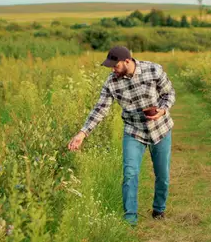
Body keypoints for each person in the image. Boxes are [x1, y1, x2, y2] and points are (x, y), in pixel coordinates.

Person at [67, 45, 176, 226]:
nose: (112, 69)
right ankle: (130, 218)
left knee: (162, 174)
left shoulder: (153, 69)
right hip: (133, 131)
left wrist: (163, 111)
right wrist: (82, 133)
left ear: (127, 61)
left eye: (115, 65)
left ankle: (159, 209)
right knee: (130, 173)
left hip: (160, 128)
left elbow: (169, 93)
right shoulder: (111, 82)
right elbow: (100, 109)